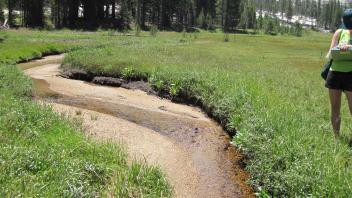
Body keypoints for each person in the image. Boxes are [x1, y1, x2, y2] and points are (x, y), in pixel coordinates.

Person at [325, 9, 352, 139]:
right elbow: (330, 54)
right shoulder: (339, 32)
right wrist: (339, 48)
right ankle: (336, 138)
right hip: (335, 73)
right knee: (335, 108)